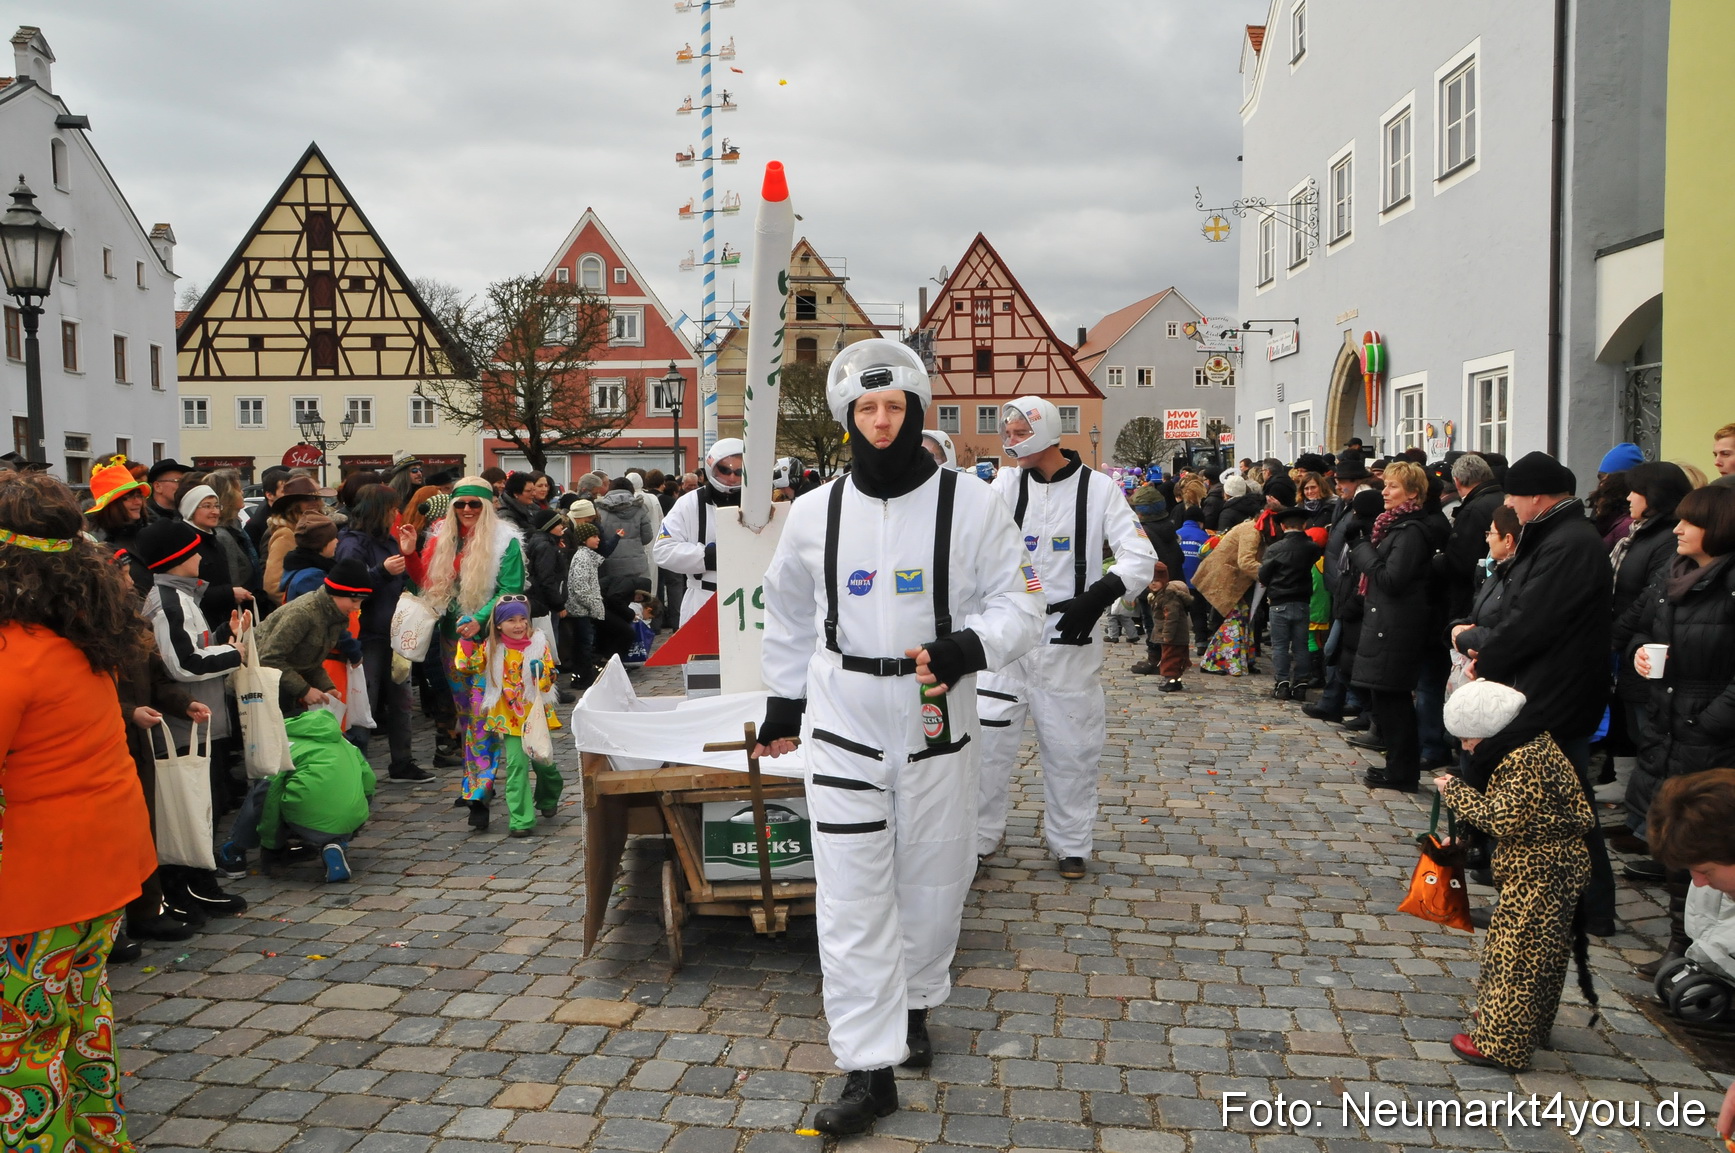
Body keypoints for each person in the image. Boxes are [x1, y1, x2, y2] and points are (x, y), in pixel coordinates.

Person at [753, 339, 1042, 1137]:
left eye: (894, 409)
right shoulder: (813, 512)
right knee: (849, 898)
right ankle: (866, 1063)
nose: (880, 424)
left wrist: (965, 649)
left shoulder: (973, 504)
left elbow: (1022, 606)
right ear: (848, 417)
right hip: (843, 718)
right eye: (865, 410)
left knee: (932, 881)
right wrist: (783, 705)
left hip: (935, 719)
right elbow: (786, 614)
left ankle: (915, 999)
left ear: (916, 411)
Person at [0, 471, 161, 1150]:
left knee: (21, 1044)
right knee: (81, 1018)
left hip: (39, 881)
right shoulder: (78, 635)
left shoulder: (14, 650)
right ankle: (100, 1138)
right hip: (105, 862)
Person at [974, 395, 1155, 879]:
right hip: (1007, 636)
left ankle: (1071, 843)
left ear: (1042, 432)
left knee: (1072, 747)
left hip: (1069, 636)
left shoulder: (1099, 490)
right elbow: (970, 544)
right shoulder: (1003, 486)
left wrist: (1100, 596)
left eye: (1017, 434)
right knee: (987, 748)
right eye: (1006, 433)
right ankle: (979, 838)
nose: (1009, 443)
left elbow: (1139, 556)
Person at [1451, 450, 1617, 935]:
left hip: (1554, 692)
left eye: (1514, 497)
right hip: (1548, 685)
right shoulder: (1558, 537)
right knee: (1560, 803)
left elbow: (1534, 619)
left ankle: (1579, 909)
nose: (1510, 506)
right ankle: (1567, 908)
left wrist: (1483, 648)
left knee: (1559, 806)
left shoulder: (1567, 543)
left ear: (1537, 498)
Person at [1434, 679, 1596, 1071]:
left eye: (1468, 739)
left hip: (1542, 869)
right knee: (1543, 953)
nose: (1466, 748)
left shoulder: (1524, 758)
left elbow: (1502, 818)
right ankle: (1523, 1024)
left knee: (1517, 954)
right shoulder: (1531, 745)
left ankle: (1501, 1042)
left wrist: (1454, 791)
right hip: (1549, 864)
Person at [1623, 483, 1735, 973]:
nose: (1679, 529)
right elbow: (1641, 628)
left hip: (1710, 735)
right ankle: (1678, 946)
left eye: (1691, 522)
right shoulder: (1676, 575)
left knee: (1708, 848)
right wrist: (1640, 653)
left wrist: (1709, 721)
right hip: (1667, 722)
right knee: (1676, 847)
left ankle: (1709, 953)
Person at [136, 518, 252, 920]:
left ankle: (199, 882)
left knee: (208, 803)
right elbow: (182, 663)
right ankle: (188, 885)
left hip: (202, 722)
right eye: (193, 550)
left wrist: (222, 636)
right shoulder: (168, 600)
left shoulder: (183, 597)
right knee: (193, 808)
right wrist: (234, 652)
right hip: (188, 728)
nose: (201, 555)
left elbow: (194, 646)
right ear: (177, 558)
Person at [398, 477, 526, 809]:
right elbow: (426, 583)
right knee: (466, 714)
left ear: (487, 506)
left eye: (474, 504)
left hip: (491, 641)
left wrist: (479, 618)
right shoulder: (442, 536)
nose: (467, 510)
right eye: (460, 504)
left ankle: (479, 787)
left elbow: (509, 589)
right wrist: (411, 555)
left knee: (482, 713)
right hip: (451, 639)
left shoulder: (505, 542)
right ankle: (476, 779)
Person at [1348, 460, 1451, 791]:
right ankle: (1396, 766)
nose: (1385, 492)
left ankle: (1402, 771)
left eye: (1392, 486)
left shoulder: (1410, 532)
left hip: (1398, 624)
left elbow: (1391, 579)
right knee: (1386, 699)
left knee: (1394, 701)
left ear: (1413, 493)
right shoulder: (1393, 526)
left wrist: (1361, 548)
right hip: (1387, 621)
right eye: (1386, 485)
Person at [334, 484, 428, 782]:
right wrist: (382, 571)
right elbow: (349, 590)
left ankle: (402, 761)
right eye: (390, 509)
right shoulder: (351, 544)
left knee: (402, 700)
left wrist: (409, 554)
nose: (395, 514)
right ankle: (356, 768)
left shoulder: (389, 538)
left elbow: (409, 579)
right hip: (369, 634)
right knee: (365, 702)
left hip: (396, 632)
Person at [223, 709, 376, 884]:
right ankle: (336, 842)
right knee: (338, 801)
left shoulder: (285, 746)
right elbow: (369, 780)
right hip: (352, 817)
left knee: (263, 787)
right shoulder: (346, 743)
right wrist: (358, 810)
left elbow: (268, 796)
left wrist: (272, 844)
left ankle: (235, 852)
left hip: (305, 817)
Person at [452, 598, 563, 835]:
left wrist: (542, 672)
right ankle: (521, 820)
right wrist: (466, 639)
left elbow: (551, 676)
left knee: (544, 764)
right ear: (499, 625)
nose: (519, 624)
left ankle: (548, 797)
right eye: (511, 620)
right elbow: (466, 665)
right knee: (516, 766)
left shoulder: (538, 644)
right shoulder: (491, 647)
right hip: (508, 717)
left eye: (523, 619)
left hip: (534, 716)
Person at [255, 557, 375, 717]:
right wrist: (305, 690)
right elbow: (268, 658)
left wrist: (326, 687)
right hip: (258, 693)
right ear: (335, 594)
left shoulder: (333, 616)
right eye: (353, 600)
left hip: (281, 689)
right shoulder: (303, 614)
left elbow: (310, 661)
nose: (356, 607)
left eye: (360, 602)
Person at [654, 437, 745, 626]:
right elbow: (663, 550)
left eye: (738, 471)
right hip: (703, 597)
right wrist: (707, 556)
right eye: (725, 470)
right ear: (712, 468)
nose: (731, 477)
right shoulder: (689, 504)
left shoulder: (760, 505)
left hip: (750, 599)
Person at [1258, 504, 1324, 700]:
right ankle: (1301, 683)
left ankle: (1283, 683)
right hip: (1302, 601)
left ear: (1283, 527)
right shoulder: (1311, 547)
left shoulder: (1275, 548)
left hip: (1279, 601)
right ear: (1303, 525)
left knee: (1279, 646)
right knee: (1301, 646)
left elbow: (1263, 574)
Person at [263, 475, 336, 602]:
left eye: (316, 497)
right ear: (294, 504)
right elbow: (272, 586)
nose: (314, 502)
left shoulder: (312, 530)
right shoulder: (286, 534)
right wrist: (297, 607)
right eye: (307, 499)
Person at [1132, 562, 1193, 691]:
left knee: (1170, 657)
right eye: (1151, 581)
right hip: (1169, 634)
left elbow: (1171, 618)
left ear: (1164, 581)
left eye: (1157, 581)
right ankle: (1174, 679)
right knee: (1173, 656)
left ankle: (1170, 679)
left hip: (1173, 635)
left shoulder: (1168, 597)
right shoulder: (1158, 595)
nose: (1153, 583)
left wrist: (1167, 635)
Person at [280, 513, 340, 601]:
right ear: (321, 544)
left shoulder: (300, 565)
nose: (337, 541)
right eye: (333, 538)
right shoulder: (311, 578)